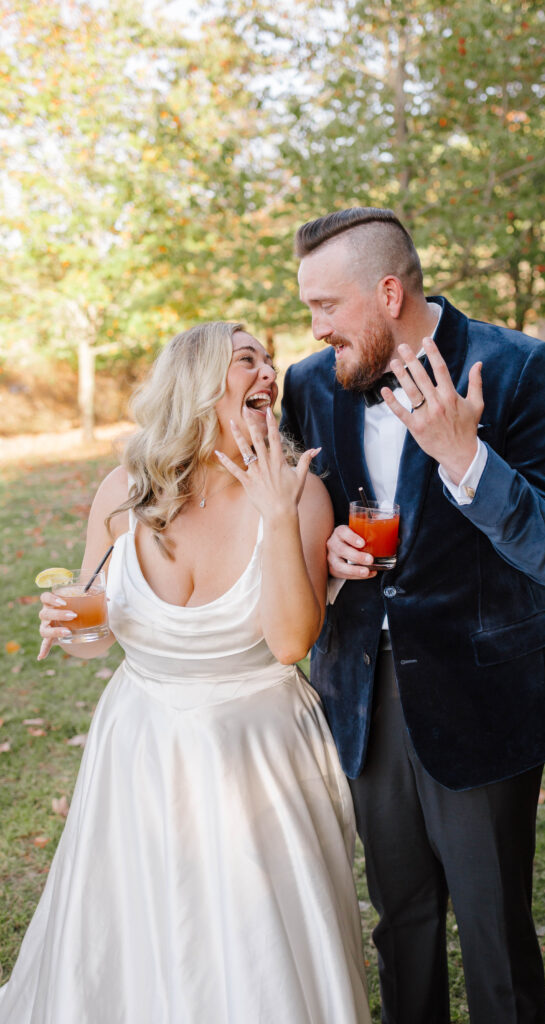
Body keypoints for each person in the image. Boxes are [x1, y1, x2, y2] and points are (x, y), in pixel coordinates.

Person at [0, 322, 371, 1024]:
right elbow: (97, 631)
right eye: (246, 360)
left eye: (270, 360)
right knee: (138, 928)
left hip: (259, 755)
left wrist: (276, 510)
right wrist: (68, 624)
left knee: (256, 942)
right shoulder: (124, 490)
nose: (268, 372)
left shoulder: (302, 492)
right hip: (140, 748)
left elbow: (293, 641)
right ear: (197, 384)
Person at [279, 207, 545, 1024]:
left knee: (493, 933)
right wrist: (326, 550)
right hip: (361, 697)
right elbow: (288, 521)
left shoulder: (518, 367)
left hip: (484, 696)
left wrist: (464, 455)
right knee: (400, 921)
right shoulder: (309, 386)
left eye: (325, 307)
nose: (315, 328)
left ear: (386, 293)